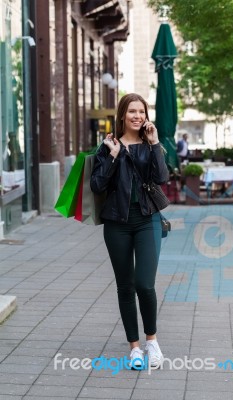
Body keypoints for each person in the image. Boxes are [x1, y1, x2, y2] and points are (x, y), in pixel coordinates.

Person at [90, 93, 169, 369]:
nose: (137, 116)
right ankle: (134, 347)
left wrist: (156, 142)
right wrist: (111, 157)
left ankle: (152, 341)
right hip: (117, 225)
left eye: (142, 112)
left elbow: (161, 177)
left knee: (144, 284)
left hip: (148, 220)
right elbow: (97, 186)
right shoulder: (108, 145)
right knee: (125, 286)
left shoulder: (150, 146)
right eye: (132, 111)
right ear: (123, 114)